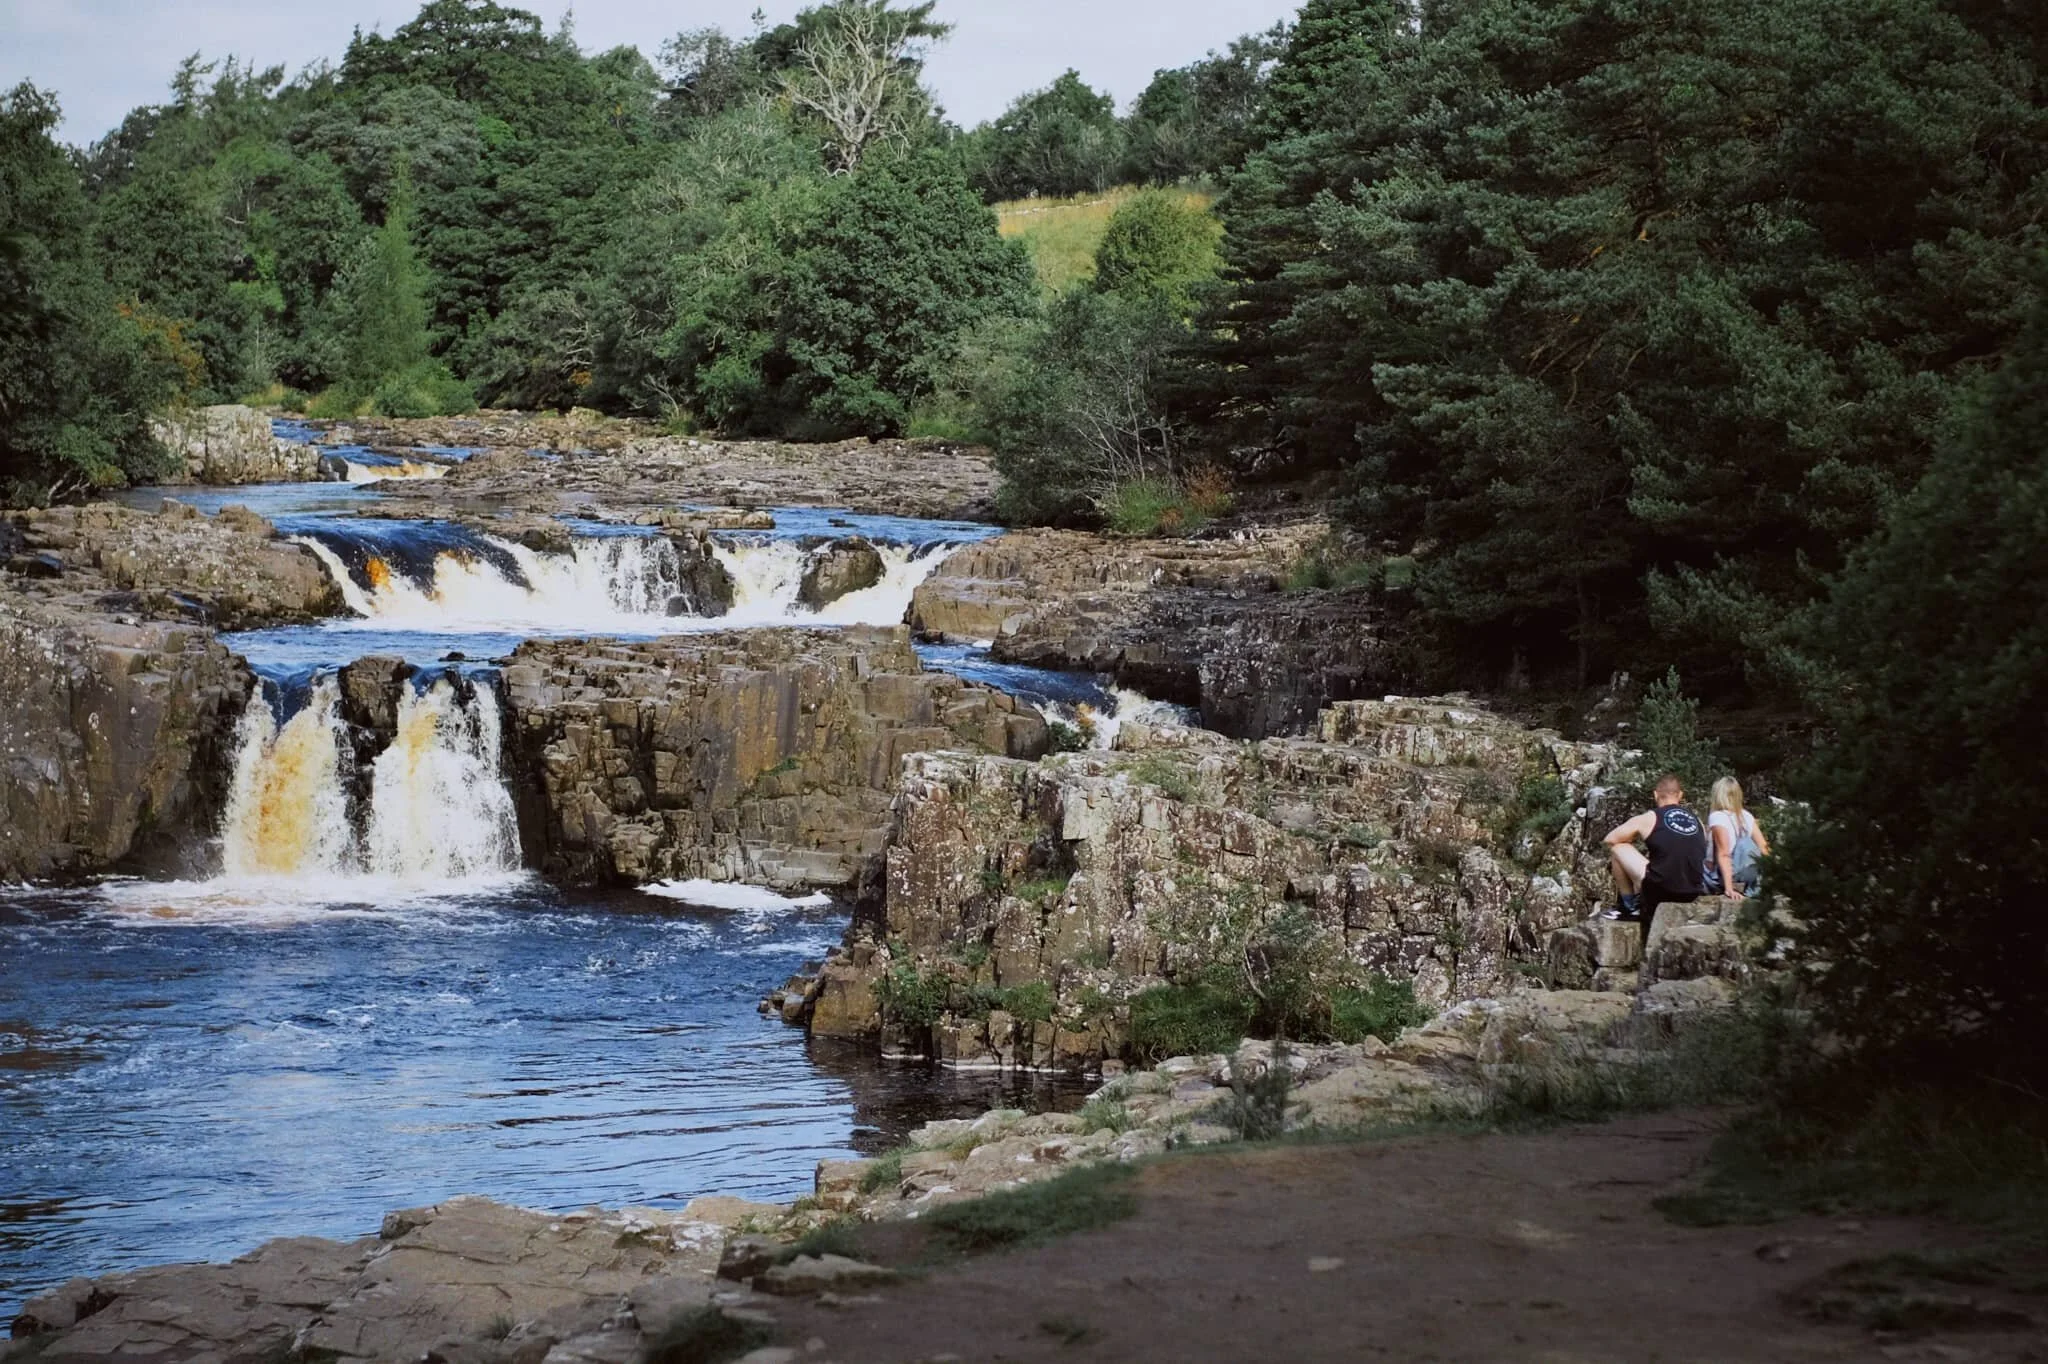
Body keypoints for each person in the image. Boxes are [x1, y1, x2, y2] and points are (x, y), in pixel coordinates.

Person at [1602, 773, 1708, 929]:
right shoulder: (1697, 821)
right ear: (1680, 795)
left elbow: (1610, 839)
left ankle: (1630, 906)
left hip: (1662, 890)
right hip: (1692, 891)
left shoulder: (1651, 817)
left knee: (1618, 848)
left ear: (1655, 794)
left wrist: (1631, 839)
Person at [1703, 776, 1770, 900]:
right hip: (1749, 871)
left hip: (1730, 873)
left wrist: (1729, 888)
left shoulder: (1718, 817)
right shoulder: (1747, 816)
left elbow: (1724, 854)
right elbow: (1764, 848)